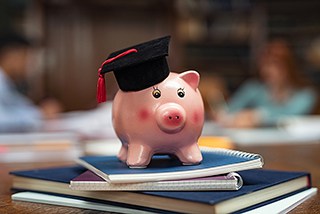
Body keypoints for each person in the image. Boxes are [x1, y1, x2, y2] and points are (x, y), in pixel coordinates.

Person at [218, 39, 318, 128]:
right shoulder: (253, 89)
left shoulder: (306, 94)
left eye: (274, 65)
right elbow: (229, 111)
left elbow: (290, 115)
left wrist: (257, 116)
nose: (267, 70)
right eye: (264, 65)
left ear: (288, 67)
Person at [0, 32, 61, 132]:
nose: (29, 65)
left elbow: (19, 105)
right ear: (11, 56)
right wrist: (40, 114)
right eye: (26, 58)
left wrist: (40, 111)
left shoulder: (7, 82)